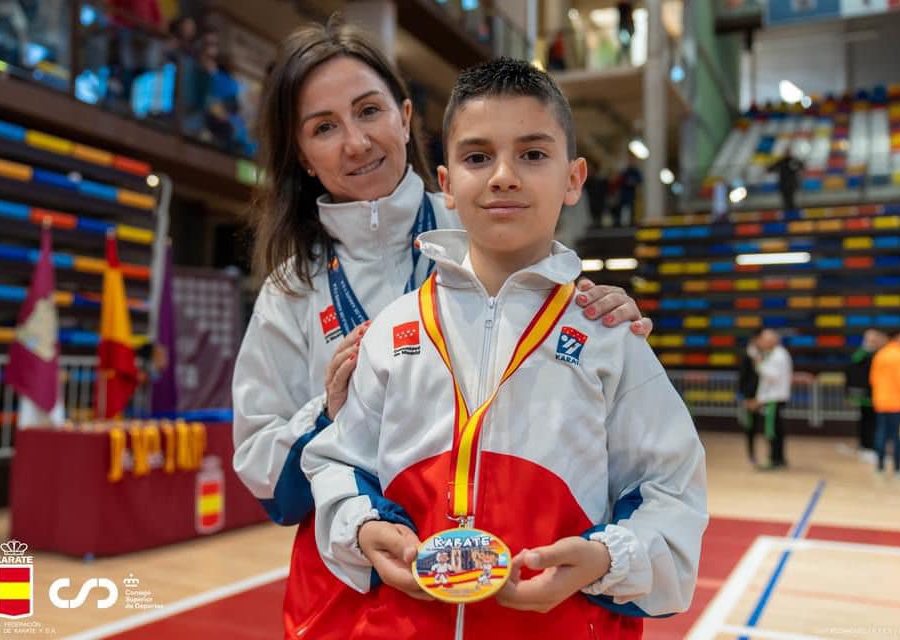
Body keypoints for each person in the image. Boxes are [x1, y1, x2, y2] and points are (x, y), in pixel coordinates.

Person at [231, 18, 653, 640]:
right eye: (325, 127)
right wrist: (329, 412)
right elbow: (268, 480)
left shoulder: (484, 224)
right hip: (357, 591)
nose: (356, 142)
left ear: (405, 117)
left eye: (368, 111)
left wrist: (595, 310)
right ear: (302, 155)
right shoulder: (291, 289)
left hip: (513, 581)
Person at [303, 57, 707, 639]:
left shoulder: (609, 339)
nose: (503, 176)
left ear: (574, 177)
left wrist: (603, 559)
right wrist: (364, 527)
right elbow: (338, 463)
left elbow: (674, 494)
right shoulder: (395, 332)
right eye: (476, 157)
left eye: (533, 154)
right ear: (446, 185)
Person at [869, 329, 900, 478]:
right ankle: (898, 469)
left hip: (881, 403)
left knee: (881, 435)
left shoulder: (881, 353)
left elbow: (873, 379)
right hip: (898, 404)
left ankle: (880, 467)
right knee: (899, 436)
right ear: (899, 337)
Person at [751, 329, 793, 469]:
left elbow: (774, 376)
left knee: (771, 430)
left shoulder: (778, 355)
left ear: (771, 341)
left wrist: (759, 365)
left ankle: (775, 460)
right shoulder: (774, 354)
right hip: (771, 398)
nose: (761, 342)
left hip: (774, 398)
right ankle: (778, 459)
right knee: (776, 429)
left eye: (764, 339)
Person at [845, 329, 886, 458]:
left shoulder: (880, 353)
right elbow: (854, 366)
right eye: (870, 338)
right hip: (865, 395)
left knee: (873, 421)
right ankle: (866, 445)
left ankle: (870, 445)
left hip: (876, 393)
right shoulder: (862, 353)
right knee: (867, 420)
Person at [738, 331, 761, 465]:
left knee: (758, 425)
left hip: (761, 396)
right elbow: (743, 377)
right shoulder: (747, 355)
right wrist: (746, 397)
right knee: (751, 426)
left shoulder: (761, 355)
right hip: (751, 397)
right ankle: (751, 454)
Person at [617, 158, 642, 227]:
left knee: (632, 210)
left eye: (633, 161)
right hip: (624, 195)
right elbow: (620, 180)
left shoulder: (636, 172)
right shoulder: (625, 171)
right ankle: (622, 223)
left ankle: (632, 223)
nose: (631, 162)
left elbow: (640, 181)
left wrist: (632, 182)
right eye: (630, 161)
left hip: (632, 195)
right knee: (623, 210)